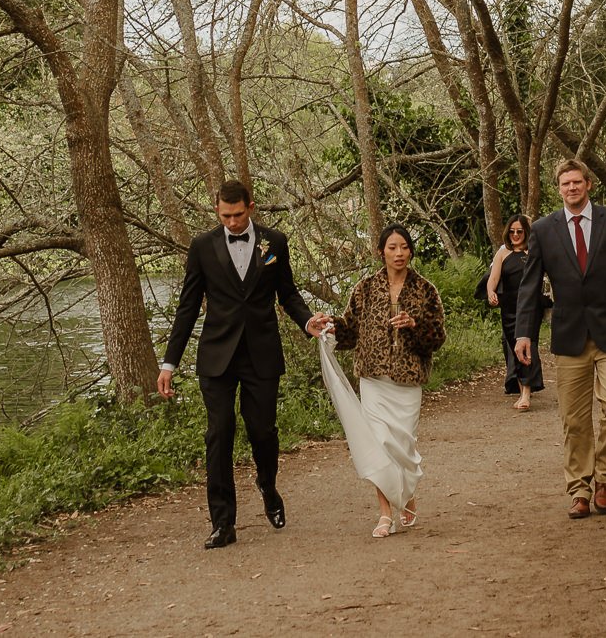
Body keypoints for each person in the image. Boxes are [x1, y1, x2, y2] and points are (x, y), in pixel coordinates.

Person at [158, 178, 324, 550]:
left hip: (261, 353)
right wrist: (169, 362)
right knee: (219, 433)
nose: (231, 223)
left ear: (251, 207)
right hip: (216, 356)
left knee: (262, 431)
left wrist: (306, 320)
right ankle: (222, 522)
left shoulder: (274, 242)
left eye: (236, 215)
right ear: (217, 211)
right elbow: (187, 307)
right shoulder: (202, 247)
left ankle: (267, 484)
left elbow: (288, 293)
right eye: (224, 216)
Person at [511, 157, 606, 519]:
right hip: (569, 335)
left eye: (577, 182)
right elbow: (530, 286)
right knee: (574, 420)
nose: (572, 188)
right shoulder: (544, 230)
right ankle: (579, 489)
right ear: (558, 188)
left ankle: (605, 477)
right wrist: (523, 334)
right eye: (565, 184)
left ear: (588, 184)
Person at [321, 223, 447, 537]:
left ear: (411, 251)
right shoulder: (364, 289)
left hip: (407, 381)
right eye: (392, 247)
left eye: (404, 247)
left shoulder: (425, 290)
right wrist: (327, 325)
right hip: (373, 380)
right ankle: (385, 513)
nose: (399, 253)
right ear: (381, 252)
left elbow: (437, 338)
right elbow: (349, 331)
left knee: (401, 446)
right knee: (379, 444)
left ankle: (406, 495)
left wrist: (414, 325)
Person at [485, 215, 545, 409]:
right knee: (514, 347)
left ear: (526, 232)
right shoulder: (502, 253)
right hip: (509, 308)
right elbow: (493, 278)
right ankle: (522, 391)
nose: (516, 235)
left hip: (530, 307)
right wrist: (490, 292)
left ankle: (527, 393)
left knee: (529, 345)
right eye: (512, 231)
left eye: (519, 231)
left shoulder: (534, 251)